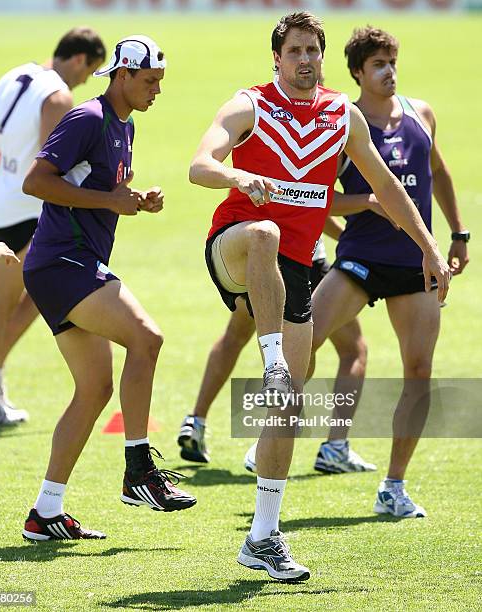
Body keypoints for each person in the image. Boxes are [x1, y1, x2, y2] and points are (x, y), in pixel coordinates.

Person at [189, 11, 450, 582]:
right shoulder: (250, 105)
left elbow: (384, 185)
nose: (305, 59)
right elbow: (199, 164)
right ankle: (274, 362)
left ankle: (263, 537)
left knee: (286, 407)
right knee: (267, 233)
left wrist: (430, 247)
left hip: (296, 268)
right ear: (276, 59)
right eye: (295, 51)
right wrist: (236, 179)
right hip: (234, 245)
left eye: (314, 50)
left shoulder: (341, 114)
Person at [20, 35, 196, 542]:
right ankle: (139, 471)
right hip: (61, 263)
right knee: (147, 338)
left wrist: (134, 200)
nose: (157, 90)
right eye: (149, 81)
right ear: (122, 75)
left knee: (95, 389)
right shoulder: (89, 118)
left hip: (70, 263)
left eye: (159, 82)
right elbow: (37, 181)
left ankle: (45, 512)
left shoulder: (125, 125)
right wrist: (109, 199)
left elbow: (101, 193)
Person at [306, 25, 469, 518]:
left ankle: (393, 486)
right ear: (357, 72)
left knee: (418, 372)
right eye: (378, 64)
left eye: (392, 62)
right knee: (298, 345)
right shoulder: (343, 125)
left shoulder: (422, 114)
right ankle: (274, 440)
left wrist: (457, 235)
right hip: (359, 258)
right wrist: (367, 204)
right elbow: (319, 198)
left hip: (414, 263)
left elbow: (439, 173)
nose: (389, 72)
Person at [0, 27, 106, 427]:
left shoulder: (11, 75)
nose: (85, 81)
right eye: (90, 71)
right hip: (28, 214)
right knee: (14, 305)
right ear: (81, 59)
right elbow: (54, 161)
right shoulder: (58, 96)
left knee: (25, 301)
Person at [177, 220, 375, 474]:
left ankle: (196, 420)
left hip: (254, 257)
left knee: (234, 338)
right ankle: (331, 446)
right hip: (304, 262)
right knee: (352, 350)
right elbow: (316, 204)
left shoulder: (252, 179)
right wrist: (355, 238)